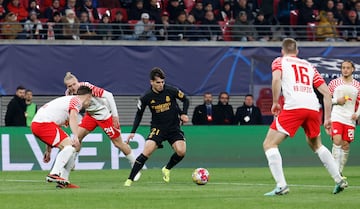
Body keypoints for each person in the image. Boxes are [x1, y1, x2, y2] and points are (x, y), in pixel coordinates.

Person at [262, 38, 347, 196]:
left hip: (294, 106)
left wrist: (275, 102)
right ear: (297, 51)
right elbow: (327, 93)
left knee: (269, 144)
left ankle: (281, 185)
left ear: (282, 50)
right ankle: (339, 179)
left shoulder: (279, 61)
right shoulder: (309, 66)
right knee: (317, 145)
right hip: (313, 108)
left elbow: (276, 79)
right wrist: (327, 118)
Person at [63, 72, 140, 180]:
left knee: (118, 144)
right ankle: (72, 161)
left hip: (104, 115)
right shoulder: (68, 94)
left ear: (77, 82)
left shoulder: (87, 87)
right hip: (90, 116)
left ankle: (135, 167)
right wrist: (67, 119)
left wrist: (115, 116)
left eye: (74, 84)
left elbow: (109, 95)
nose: (72, 87)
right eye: (69, 86)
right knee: (77, 138)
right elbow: (71, 109)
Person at [124, 67, 190, 187]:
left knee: (181, 151)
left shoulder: (171, 90)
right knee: (146, 152)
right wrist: (133, 131)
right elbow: (139, 114)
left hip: (173, 128)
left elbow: (186, 100)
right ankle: (129, 180)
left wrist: (184, 113)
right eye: (158, 82)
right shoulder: (146, 97)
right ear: (151, 82)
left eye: (162, 82)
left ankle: (167, 168)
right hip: (158, 128)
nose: (161, 85)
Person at [31, 86, 92, 189]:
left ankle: (63, 182)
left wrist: (48, 149)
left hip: (40, 124)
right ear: (89, 96)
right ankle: (54, 173)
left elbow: (55, 126)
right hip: (43, 124)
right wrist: (76, 136)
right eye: (91, 99)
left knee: (71, 147)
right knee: (70, 146)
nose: (90, 102)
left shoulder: (67, 102)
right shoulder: (76, 101)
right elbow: (73, 117)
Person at [328, 60, 360, 178]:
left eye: (348, 68)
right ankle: (335, 172)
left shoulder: (357, 85)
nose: (345, 70)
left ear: (352, 70)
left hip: (350, 119)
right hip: (336, 116)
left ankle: (340, 171)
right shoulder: (334, 83)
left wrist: (357, 114)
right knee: (337, 140)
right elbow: (327, 99)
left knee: (345, 145)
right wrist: (336, 101)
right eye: (343, 67)